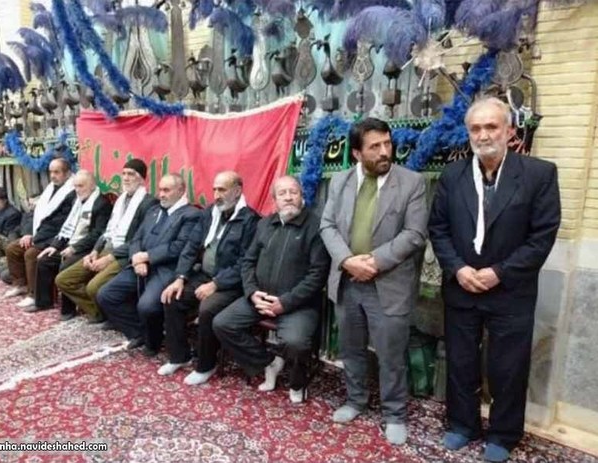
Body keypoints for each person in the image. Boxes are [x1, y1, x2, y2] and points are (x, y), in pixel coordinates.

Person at [428, 97, 561, 462]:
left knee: (508, 366)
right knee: (461, 361)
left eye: (491, 126)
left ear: (509, 131)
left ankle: (503, 434)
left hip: (510, 290)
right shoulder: (453, 176)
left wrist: (499, 273)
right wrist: (458, 268)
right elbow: (438, 228)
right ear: (468, 133)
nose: (483, 135)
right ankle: (462, 425)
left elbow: (542, 237)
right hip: (462, 285)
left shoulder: (539, 174)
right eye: (476, 128)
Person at [320, 118, 428, 444]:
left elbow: (414, 233)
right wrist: (347, 260)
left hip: (389, 284)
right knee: (351, 350)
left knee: (391, 355)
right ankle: (356, 400)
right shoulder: (340, 181)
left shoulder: (411, 182)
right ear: (356, 153)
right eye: (375, 147)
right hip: (348, 282)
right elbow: (327, 226)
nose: (384, 152)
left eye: (387, 144)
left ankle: (395, 414)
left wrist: (374, 262)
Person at [213, 176, 330, 404]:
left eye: (293, 192)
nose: (288, 197)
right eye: (282, 193)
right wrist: (252, 292)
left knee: (296, 342)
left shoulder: (316, 227)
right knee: (222, 323)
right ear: (274, 200)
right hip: (261, 297)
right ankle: (268, 363)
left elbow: (317, 276)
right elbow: (248, 262)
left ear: (301, 196)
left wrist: (285, 303)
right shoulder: (265, 224)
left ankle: (297, 383)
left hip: (298, 304)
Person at [158, 171, 259, 385]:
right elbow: (191, 247)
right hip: (204, 275)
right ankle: (179, 356)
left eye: (222, 189)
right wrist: (180, 277)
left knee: (207, 308)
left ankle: (206, 365)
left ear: (237, 191)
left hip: (231, 283)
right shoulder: (209, 214)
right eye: (215, 189)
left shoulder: (250, 220)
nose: (217, 195)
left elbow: (245, 263)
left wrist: (216, 284)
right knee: (172, 296)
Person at [96, 173, 200, 357]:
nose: (161, 194)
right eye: (160, 190)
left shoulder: (191, 215)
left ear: (181, 190)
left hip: (166, 269)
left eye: (166, 190)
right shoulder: (154, 211)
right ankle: (140, 333)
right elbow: (136, 239)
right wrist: (137, 259)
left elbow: (179, 247)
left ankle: (153, 343)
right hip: (140, 265)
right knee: (106, 295)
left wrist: (148, 257)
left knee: (147, 307)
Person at [55, 159, 157, 322]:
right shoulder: (121, 200)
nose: (126, 178)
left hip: (124, 254)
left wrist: (109, 258)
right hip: (106, 248)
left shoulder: (149, 203)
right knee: (64, 280)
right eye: (124, 174)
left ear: (141, 178)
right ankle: (100, 313)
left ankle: (109, 315)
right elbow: (107, 230)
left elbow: (140, 240)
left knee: (93, 287)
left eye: (131, 174)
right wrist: (95, 251)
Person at [27, 170, 112, 314]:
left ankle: (69, 310)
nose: (77, 190)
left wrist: (75, 248)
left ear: (92, 186)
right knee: (45, 259)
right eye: (76, 186)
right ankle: (43, 302)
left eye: (81, 186)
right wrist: (54, 246)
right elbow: (66, 227)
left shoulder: (101, 204)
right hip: (70, 243)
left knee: (66, 265)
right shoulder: (76, 201)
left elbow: (97, 234)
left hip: (87, 248)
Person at [4, 158, 75, 304]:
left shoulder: (71, 193)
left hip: (55, 239)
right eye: (51, 172)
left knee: (31, 253)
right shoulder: (50, 188)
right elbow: (33, 213)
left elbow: (57, 223)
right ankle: (20, 284)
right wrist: (28, 233)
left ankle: (34, 295)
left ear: (67, 173)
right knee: (13, 249)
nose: (52, 176)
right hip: (40, 234)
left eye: (57, 172)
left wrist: (36, 239)